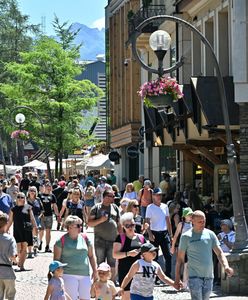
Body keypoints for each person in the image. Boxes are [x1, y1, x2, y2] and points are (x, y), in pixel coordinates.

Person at [175, 210, 234, 300]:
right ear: (192, 221)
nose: (203, 223)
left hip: (209, 277)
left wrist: (226, 267)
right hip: (194, 277)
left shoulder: (210, 234)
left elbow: (219, 253)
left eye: (204, 221)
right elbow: (180, 259)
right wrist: (177, 278)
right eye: (200, 222)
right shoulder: (186, 236)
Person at [53, 215, 98, 300]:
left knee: (86, 298)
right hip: (68, 274)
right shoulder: (60, 241)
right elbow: (56, 260)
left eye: (81, 225)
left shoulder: (85, 238)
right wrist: (57, 276)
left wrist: (95, 271)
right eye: (78, 225)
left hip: (85, 274)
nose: (80, 227)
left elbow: (91, 256)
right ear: (69, 227)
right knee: (71, 298)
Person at [88, 189, 121, 281]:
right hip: (100, 240)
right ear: (105, 197)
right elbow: (89, 223)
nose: (113, 198)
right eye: (111, 196)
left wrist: (121, 237)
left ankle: (111, 284)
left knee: (112, 264)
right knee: (100, 263)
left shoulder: (115, 207)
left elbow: (119, 224)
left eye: (114, 196)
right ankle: (99, 284)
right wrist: (100, 220)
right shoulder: (96, 208)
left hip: (113, 241)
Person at [113, 212, 146, 300]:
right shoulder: (120, 238)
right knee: (126, 297)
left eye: (132, 225)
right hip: (125, 271)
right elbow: (115, 254)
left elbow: (147, 254)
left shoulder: (141, 238)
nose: (131, 227)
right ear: (123, 226)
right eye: (127, 226)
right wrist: (128, 254)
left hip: (139, 273)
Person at [145, 187, 173, 278]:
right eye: (157, 195)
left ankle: (167, 274)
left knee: (168, 255)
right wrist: (149, 234)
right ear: (153, 196)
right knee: (154, 256)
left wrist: (171, 234)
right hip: (154, 233)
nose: (159, 197)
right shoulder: (150, 207)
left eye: (160, 195)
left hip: (164, 233)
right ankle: (156, 275)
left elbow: (168, 220)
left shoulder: (165, 206)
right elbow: (147, 222)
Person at [6, 192, 37, 271]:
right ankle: (20, 262)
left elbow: (32, 218)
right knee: (18, 248)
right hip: (17, 230)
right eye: (19, 197)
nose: (20, 198)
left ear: (24, 199)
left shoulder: (27, 207)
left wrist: (35, 228)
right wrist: (5, 230)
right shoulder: (13, 209)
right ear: (16, 199)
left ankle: (22, 265)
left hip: (26, 230)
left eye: (22, 197)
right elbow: (10, 221)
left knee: (24, 248)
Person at [170, 207, 193, 288]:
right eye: (189, 214)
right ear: (184, 216)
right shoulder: (181, 224)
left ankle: (185, 283)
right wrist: (172, 247)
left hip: (191, 247)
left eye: (191, 214)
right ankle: (178, 281)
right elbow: (175, 236)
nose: (190, 216)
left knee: (188, 264)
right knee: (180, 264)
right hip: (182, 247)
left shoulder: (193, 224)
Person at [0, 212, 17, 300]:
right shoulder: (10, 238)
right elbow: (12, 256)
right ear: (6, 223)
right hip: (7, 272)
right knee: (10, 297)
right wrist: (16, 261)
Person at [39, 182, 59, 252]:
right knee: (41, 230)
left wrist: (58, 215)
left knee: (48, 231)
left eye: (49, 186)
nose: (48, 187)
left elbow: (55, 206)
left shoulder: (52, 196)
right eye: (47, 186)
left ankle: (47, 246)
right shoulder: (40, 195)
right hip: (41, 216)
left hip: (49, 215)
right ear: (44, 187)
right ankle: (40, 242)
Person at [26, 186, 44, 257]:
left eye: (33, 190)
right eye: (31, 190)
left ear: (36, 192)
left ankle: (35, 248)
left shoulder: (38, 199)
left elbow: (42, 210)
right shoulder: (26, 200)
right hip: (27, 218)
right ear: (28, 192)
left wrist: (40, 216)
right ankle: (29, 250)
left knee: (35, 234)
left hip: (36, 218)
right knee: (28, 234)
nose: (32, 192)